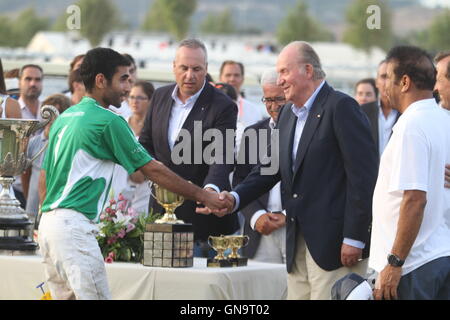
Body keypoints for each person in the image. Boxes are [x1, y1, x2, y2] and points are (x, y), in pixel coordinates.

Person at [37, 47, 228, 300]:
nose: (128, 87)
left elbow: (44, 176)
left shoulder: (65, 117)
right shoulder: (110, 120)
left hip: (49, 225)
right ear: (101, 80)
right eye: (123, 79)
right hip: (73, 228)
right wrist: (204, 196)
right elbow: (152, 169)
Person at [200, 41, 379, 300]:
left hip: (334, 246)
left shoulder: (341, 107)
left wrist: (355, 238)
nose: (280, 79)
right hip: (298, 244)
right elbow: (268, 170)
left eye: (284, 71)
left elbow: (363, 179)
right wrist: (235, 198)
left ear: (308, 70)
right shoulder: (289, 115)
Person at [139, 39, 239, 258]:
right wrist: (155, 176)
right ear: (174, 67)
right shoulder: (159, 96)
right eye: (184, 68)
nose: (189, 75)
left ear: (206, 69)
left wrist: (210, 191)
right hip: (159, 214)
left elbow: (222, 154)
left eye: (197, 69)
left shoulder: (223, 106)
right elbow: (145, 143)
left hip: (202, 220)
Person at [369, 46, 450, 300]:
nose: (383, 86)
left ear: (404, 82)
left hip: (413, 265)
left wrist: (394, 262)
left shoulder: (412, 126)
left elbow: (415, 198)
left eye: (387, 78)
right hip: (435, 256)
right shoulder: (442, 119)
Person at [232, 68, 286, 264]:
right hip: (259, 231)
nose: (274, 106)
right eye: (268, 99)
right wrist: (256, 216)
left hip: (296, 228)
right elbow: (240, 181)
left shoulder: (305, 133)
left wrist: (288, 216)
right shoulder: (252, 133)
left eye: (280, 99)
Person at [22, 94, 71, 220]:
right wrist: (30, 198)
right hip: (32, 210)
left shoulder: (68, 145)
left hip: (56, 211)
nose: (52, 120)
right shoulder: (33, 142)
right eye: (48, 114)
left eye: (56, 114)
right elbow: (25, 174)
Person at [109, 80, 155, 214]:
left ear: (150, 100)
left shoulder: (154, 127)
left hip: (144, 190)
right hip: (119, 186)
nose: (135, 101)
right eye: (132, 97)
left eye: (140, 97)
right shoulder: (120, 123)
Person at [360, 60, 401, 157]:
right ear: (376, 82)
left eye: (392, 77)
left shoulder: (407, 113)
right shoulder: (362, 112)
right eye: (384, 77)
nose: (387, 82)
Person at [219, 60, 267, 128]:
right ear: (220, 78)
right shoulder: (211, 107)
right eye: (228, 75)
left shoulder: (253, 110)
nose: (232, 79)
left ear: (242, 79)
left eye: (236, 75)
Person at [108, 53, 136, 118]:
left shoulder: (148, 99)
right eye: (124, 75)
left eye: (131, 71)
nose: (129, 77)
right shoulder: (110, 103)